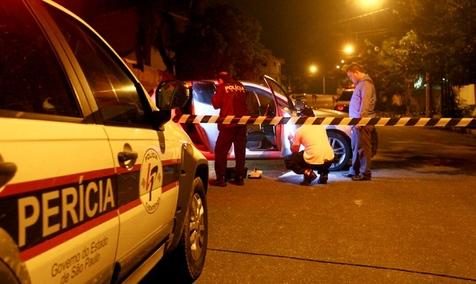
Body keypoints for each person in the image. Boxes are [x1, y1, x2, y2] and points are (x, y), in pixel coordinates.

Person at [210, 71, 249, 187]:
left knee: (221, 151)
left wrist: (215, 91)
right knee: (240, 151)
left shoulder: (222, 87)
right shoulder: (240, 86)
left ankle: (221, 179)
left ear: (221, 79)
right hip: (242, 122)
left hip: (228, 123)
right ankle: (239, 178)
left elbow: (215, 104)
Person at [344, 63, 376, 181]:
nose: (351, 79)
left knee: (363, 148)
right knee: (356, 147)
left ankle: (365, 173)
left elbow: (365, 104)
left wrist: (361, 120)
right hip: (357, 122)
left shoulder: (366, 84)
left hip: (362, 122)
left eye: (351, 76)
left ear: (356, 72)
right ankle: (355, 170)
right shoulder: (361, 84)